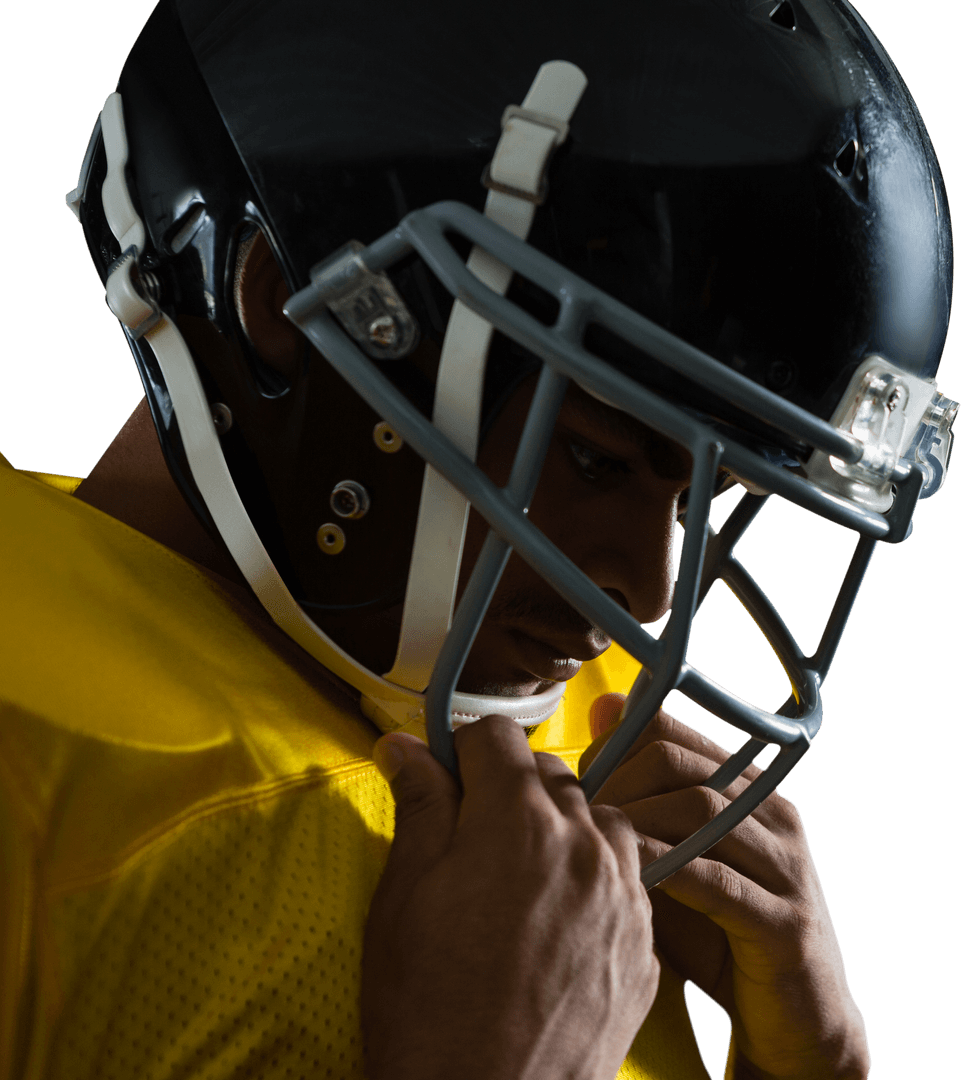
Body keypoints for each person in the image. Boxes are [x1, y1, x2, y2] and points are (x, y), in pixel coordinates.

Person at [0, 0, 953, 1077]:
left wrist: (809, 1065)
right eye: (595, 457)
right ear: (285, 308)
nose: (644, 600)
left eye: (698, 497)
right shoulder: (32, 770)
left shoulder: (587, 758)